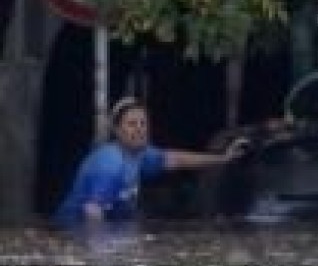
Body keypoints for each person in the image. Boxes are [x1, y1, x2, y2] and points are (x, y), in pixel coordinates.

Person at [53, 97, 245, 228]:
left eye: (143, 123)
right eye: (131, 124)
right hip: (73, 231)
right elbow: (92, 211)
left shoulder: (140, 155)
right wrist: (97, 257)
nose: (139, 129)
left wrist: (223, 158)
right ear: (117, 131)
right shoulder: (110, 164)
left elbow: (177, 159)